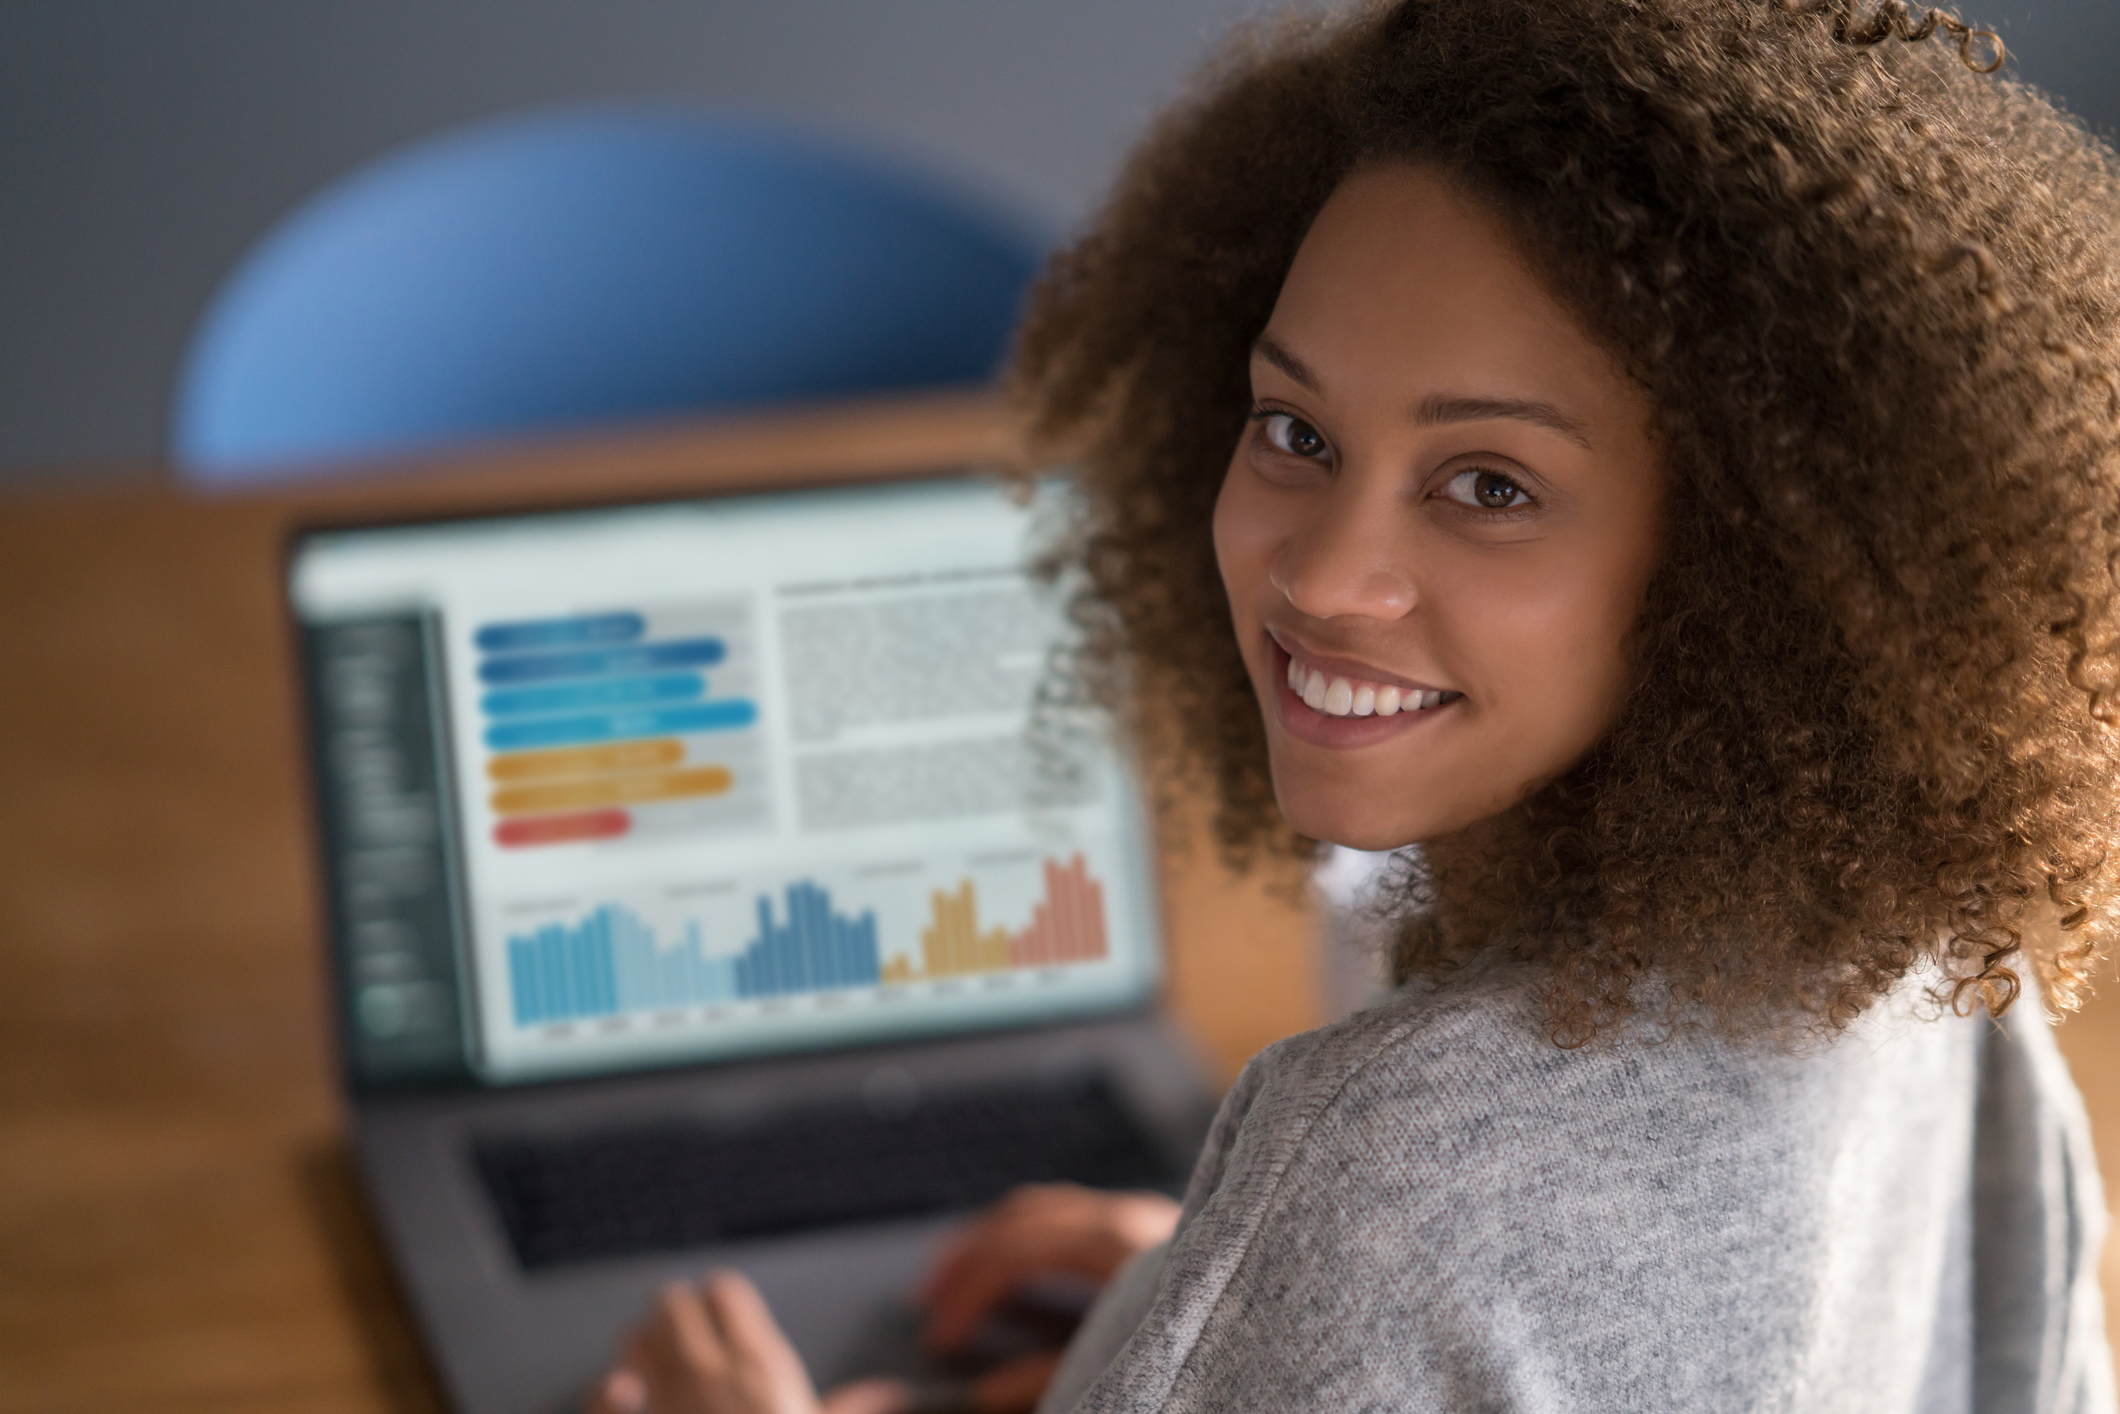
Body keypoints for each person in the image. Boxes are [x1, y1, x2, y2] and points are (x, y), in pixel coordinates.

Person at [590, 0, 2120, 1408]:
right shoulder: (1925, 963)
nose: (1323, 575)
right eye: (1295, 430)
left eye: (1490, 485)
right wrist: (1226, 1311)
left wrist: (1306, 1281)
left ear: (1747, 566)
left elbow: (1451, 1237)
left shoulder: (1385, 1162)